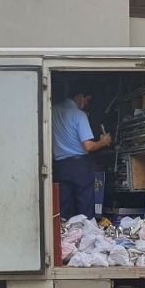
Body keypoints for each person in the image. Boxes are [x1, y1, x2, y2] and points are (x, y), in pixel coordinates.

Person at [52, 86, 112, 219]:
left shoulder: (52, 111)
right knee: (85, 201)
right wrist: (102, 142)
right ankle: (87, 232)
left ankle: (62, 234)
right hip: (79, 165)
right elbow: (88, 146)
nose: (86, 103)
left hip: (59, 165)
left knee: (62, 204)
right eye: (86, 99)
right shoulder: (79, 115)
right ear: (78, 96)